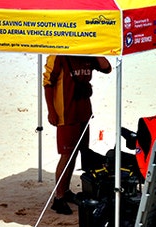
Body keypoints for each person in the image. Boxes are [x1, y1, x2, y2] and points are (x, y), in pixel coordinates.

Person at [43, 54, 111, 214]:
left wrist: (97, 50)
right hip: (66, 114)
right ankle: (58, 198)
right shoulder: (58, 55)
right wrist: (51, 111)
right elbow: (47, 84)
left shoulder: (87, 53)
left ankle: (66, 191)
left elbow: (106, 68)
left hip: (84, 112)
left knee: (78, 152)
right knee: (66, 154)